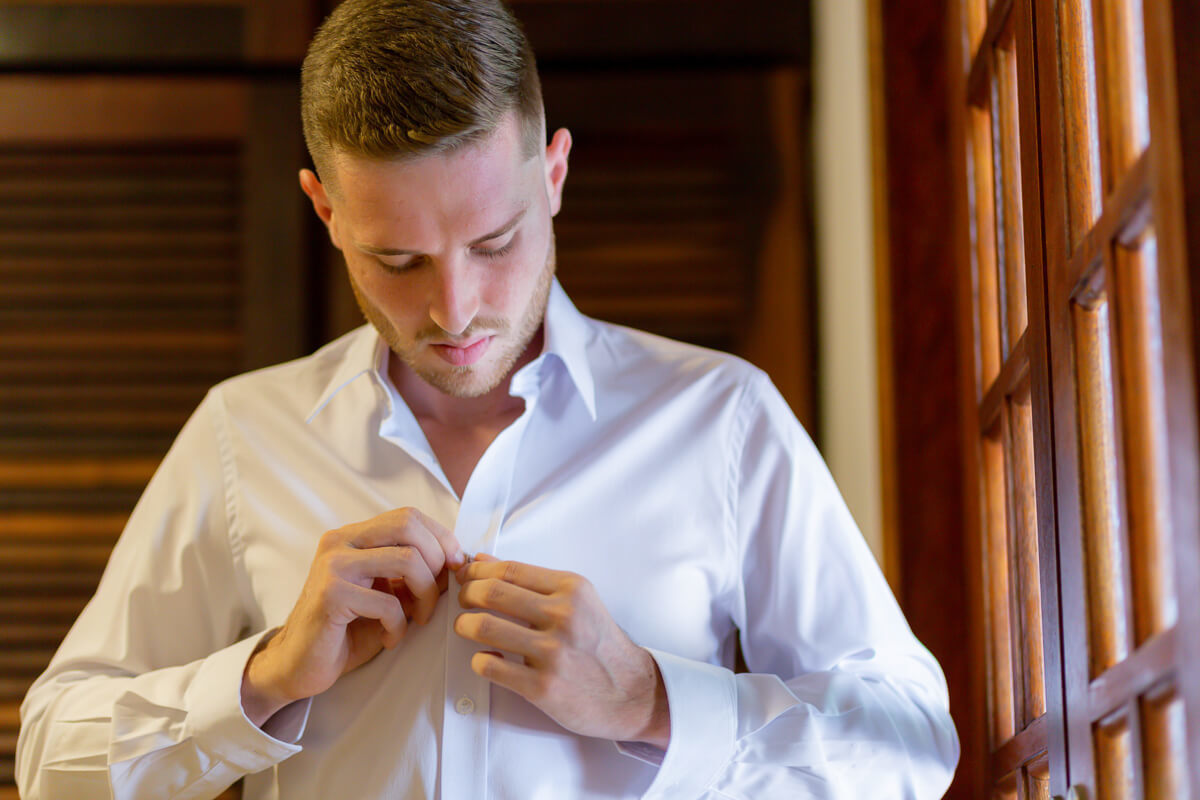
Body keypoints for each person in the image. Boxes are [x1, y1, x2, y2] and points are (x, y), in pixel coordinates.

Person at [16, 1, 959, 797]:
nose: (455, 310)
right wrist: (266, 678)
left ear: (553, 176)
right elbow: (53, 761)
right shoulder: (242, 434)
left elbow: (911, 747)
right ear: (325, 211)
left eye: (495, 243)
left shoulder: (723, 419)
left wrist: (649, 700)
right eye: (398, 260)